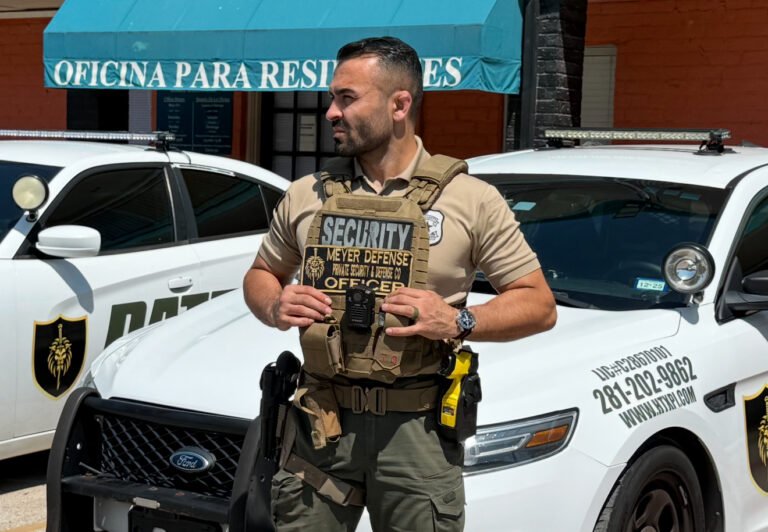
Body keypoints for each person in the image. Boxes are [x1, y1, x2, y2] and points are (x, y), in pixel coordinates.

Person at [243, 36, 556, 532]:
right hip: (319, 423)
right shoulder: (307, 194)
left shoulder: (470, 199)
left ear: (399, 105)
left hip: (417, 431)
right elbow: (262, 274)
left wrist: (458, 319)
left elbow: (538, 304)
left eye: (347, 98)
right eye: (332, 98)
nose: (330, 112)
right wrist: (275, 304)